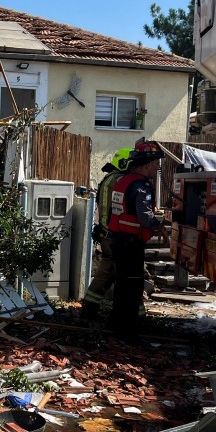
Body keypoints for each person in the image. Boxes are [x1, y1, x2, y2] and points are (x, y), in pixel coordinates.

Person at [106, 141, 168, 337]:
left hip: (118, 240)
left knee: (123, 284)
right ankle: (127, 330)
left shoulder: (122, 181)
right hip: (130, 243)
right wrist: (160, 227)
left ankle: (117, 324)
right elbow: (145, 216)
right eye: (156, 164)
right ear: (148, 164)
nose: (157, 168)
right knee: (132, 286)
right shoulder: (140, 185)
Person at [81, 147, 133, 321]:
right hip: (113, 235)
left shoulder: (110, 178)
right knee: (126, 275)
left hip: (106, 234)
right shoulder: (120, 181)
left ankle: (89, 309)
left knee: (108, 273)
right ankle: (132, 316)